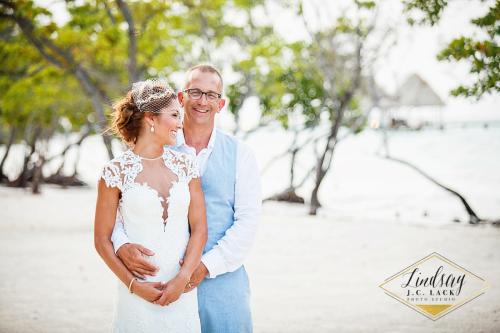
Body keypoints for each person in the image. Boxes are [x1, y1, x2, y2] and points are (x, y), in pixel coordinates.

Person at [112, 64, 262, 333]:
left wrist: (204, 266)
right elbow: (121, 205)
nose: (202, 101)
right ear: (181, 98)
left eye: (211, 95)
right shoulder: (152, 146)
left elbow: (248, 223)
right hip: (163, 278)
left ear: (221, 104)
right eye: (195, 92)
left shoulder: (242, 154)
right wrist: (121, 244)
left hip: (222, 283)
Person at [94, 79, 207, 332]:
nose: (180, 123)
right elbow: (102, 240)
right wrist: (134, 285)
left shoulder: (187, 166)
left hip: (182, 290)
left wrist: (183, 277)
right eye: (175, 115)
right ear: (151, 119)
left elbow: (200, 228)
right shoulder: (115, 171)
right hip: (137, 292)